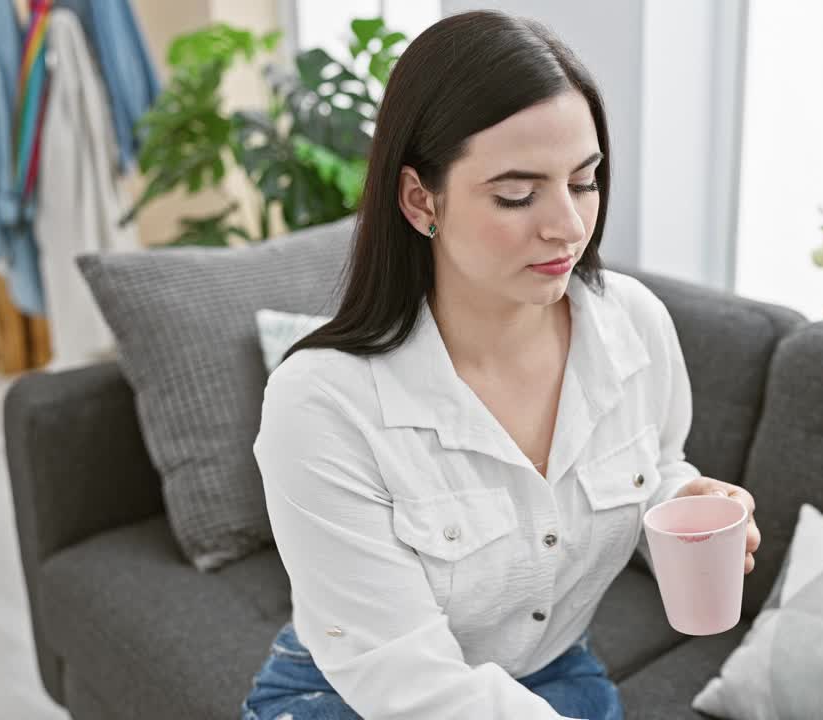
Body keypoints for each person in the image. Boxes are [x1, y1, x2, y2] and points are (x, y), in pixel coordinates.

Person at [241, 10, 762, 720]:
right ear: (421, 198)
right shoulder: (322, 404)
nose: (569, 226)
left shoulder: (633, 324)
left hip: (547, 672)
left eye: (583, 182)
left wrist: (689, 497)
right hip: (355, 691)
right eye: (518, 194)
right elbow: (408, 683)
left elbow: (655, 466)